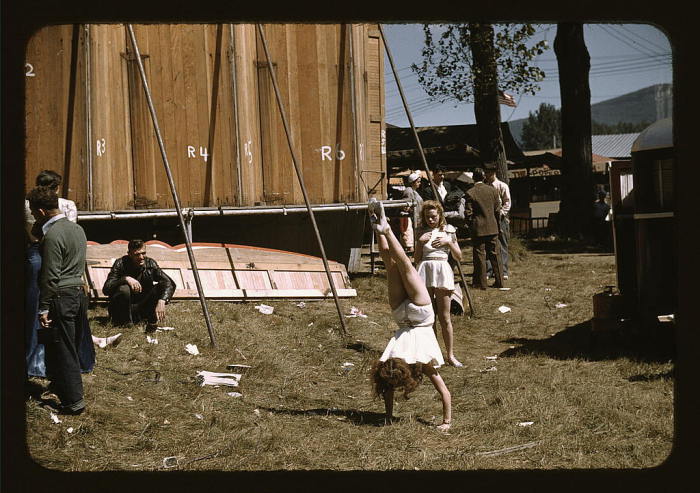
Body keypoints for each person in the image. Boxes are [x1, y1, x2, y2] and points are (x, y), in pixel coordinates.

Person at [367, 198, 452, 431]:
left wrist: (389, 415)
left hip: (409, 316)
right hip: (414, 315)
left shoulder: (396, 364)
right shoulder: (421, 363)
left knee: (395, 264)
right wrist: (446, 422)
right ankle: (382, 228)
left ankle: (380, 228)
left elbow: (388, 390)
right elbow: (444, 392)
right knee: (400, 264)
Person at [25, 171, 119, 380]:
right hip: (64, 256)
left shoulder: (26, 205)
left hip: (37, 254)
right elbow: (69, 231)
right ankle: (81, 358)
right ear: (57, 188)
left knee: (36, 306)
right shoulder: (67, 206)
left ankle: (36, 362)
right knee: (71, 312)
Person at [28, 186, 93, 414]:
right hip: (77, 294)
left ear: (42, 212)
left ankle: (73, 402)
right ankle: (60, 386)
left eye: (34, 212)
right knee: (70, 345)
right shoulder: (77, 230)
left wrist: (44, 307)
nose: (33, 217)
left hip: (60, 296)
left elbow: (50, 275)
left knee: (63, 349)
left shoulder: (52, 235)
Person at [414, 200, 463, 368]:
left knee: (445, 316)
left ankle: (450, 355)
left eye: (433, 216)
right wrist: (420, 242)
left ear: (440, 215)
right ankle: (433, 354)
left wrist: (448, 242)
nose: (430, 220)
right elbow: (416, 258)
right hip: (425, 270)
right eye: (427, 217)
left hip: (442, 269)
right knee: (429, 316)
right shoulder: (421, 231)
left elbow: (459, 256)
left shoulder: (448, 230)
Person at [102, 239, 175, 331]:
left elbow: (169, 282)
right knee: (124, 289)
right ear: (129, 254)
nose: (141, 257)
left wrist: (162, 300)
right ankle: (125, 323)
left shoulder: (150, 263)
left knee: (160, 286)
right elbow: (106, 289)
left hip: (142, 306)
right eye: (137, 254)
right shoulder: (120, 263)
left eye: (143, 253)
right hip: (122, 310)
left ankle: (148, 319)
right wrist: (125, 279)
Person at [465, 168, 504, 290]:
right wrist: (497, 225)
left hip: (478, 229)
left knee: (480, 256)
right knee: (495, 255)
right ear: (484, 177)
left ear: (473, 178)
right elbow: (498, 211)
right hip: (492, 227)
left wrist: (471, 226)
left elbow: (468, 213)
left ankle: (482, 284)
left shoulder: (470, 193)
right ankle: (500, 281)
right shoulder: (492, 191)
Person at [484, 164, 512, 280]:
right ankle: (490, 270)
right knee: (489, 244)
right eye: (486, 173)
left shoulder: (502, 186)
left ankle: (503, 270)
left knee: (502, 244)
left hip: (500, 218)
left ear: (493, 173)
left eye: (489, 173)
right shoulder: (485, 186)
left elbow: (507, 202)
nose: (487, 175)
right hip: (489, 218)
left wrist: (501, 213)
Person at [400, 171, 424, 252]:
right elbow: (406, 205)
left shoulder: (415, 191)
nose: (419, 183)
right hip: (413, 218)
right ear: (413, 182)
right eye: (418, 182)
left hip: (418, 217)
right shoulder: (409, 191)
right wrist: (411, 211)